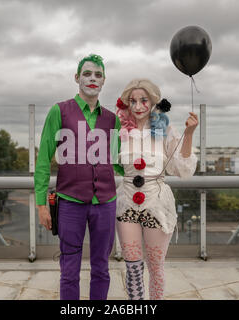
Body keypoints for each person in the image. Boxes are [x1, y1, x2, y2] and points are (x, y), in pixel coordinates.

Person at [34, 54, 123, 300]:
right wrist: (41, 203)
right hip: (69, 202)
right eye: (87, 74)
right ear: (77, 78)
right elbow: (43, 160)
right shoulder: (59, 111)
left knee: (102, 268)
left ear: (104, 80)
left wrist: (145, 166)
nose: (92, 79)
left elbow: (116, 160)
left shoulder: (112, 119)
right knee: (69, 270)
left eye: (98, 75)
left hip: (105, 203)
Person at [115, 78, 198, 300]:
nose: (138, 106)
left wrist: (188, 134)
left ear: (153, 101)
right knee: (132, 269)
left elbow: (183, 169)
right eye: (133, 101)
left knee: (156, 268)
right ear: (126, 103)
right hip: (127, 204)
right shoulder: (119, 131)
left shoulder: (165, 129)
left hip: (157, 203)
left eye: (144, 100)